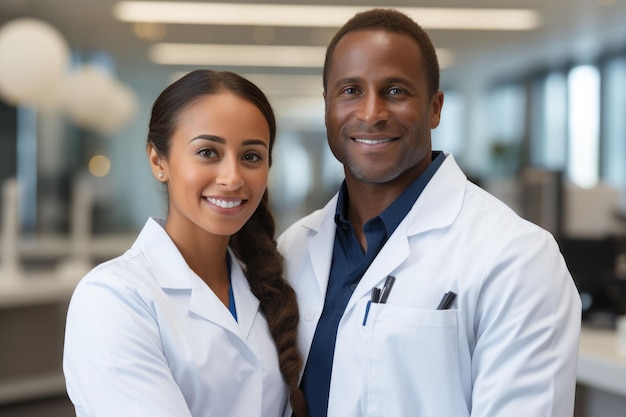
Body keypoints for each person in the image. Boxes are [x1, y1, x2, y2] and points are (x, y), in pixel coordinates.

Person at [278, 8, 581, 417]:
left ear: (435, 108)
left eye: (395, 91)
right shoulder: (293, 247)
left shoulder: (517, 256)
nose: (371, 113)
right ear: (327, 106)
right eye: (350, 90)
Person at [63, 69, 307, 417]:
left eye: (251, 156)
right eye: (208, 152)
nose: (232, 178)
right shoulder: (113, 298)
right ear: (157, 161)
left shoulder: (265, 289)